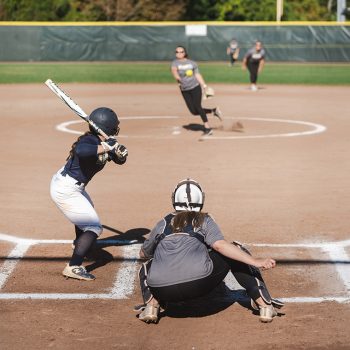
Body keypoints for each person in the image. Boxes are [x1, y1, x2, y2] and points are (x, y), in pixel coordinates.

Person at [135, 178, 283, 324]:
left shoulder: (163, 223)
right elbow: (220, 246)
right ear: (201, 200)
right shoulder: (204, 219)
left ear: (174, 199)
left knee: (147, 266)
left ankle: (151, 306)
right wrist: (255, 262)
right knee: (235, 250)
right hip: (199, 285)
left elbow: (144, 254)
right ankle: (265, 305)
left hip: (163, 290)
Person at [50, 107, 128, 281]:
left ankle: (79, 245)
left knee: (87, 210)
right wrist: (108, 146)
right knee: (94, 227)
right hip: (65, 189)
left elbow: (118, 159)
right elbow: (81, 151)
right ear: (107, 127)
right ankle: (74, 266)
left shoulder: (104, 141)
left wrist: (120, 153)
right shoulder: (88, 140)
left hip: (73, 187)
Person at [171, 46, 222, 136]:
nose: (179, 53)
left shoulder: (192, 63)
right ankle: (213, 111)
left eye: (181, 51)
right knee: (193, 111)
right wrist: (178, 78)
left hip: (195, 87)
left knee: (198, 106)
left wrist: (204, 86)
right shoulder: (175, 63)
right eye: (177, 52)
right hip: (184, 90)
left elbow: (197, 75)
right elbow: (175, 73)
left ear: (185, 53)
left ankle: (207, 128)